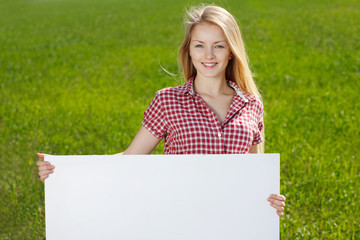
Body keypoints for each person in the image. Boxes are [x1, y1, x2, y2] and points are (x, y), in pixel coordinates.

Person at [37, 4, 286, 217]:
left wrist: (270, 200)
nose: (208, 55)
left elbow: (256, 173)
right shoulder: (168, 101)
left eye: (219, 46)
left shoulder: (251, 104)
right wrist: (64, 169)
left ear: (231, 51)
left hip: (235, 219)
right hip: (180, 217)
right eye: (200, 45)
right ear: (189, 49)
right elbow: (129, 159)